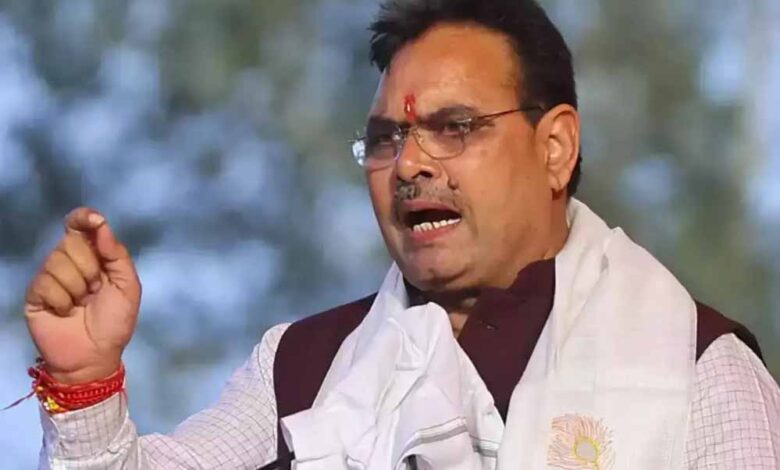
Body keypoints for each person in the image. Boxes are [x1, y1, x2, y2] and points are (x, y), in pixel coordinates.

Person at [24, 0, 779, 469]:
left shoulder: (697, 369)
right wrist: (84, 381)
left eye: (455, 127)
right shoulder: (303, 368)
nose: (410, 164)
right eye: (387, 139)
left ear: (555, 148)